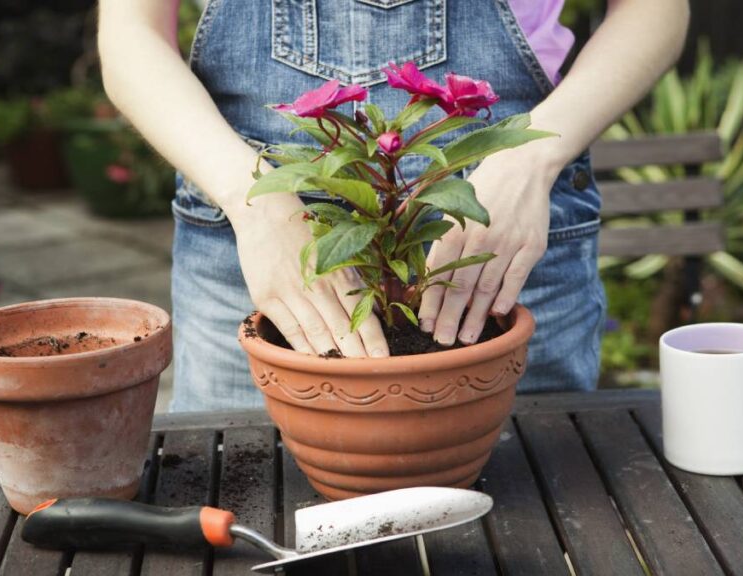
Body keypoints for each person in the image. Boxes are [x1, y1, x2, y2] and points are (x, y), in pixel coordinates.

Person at [97, 0, 690, 412]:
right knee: (254, 507)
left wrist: (531, 158)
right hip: (259, 248)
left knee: (526, 514)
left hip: (497, 244)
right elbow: (131, 34)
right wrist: (251, 199)